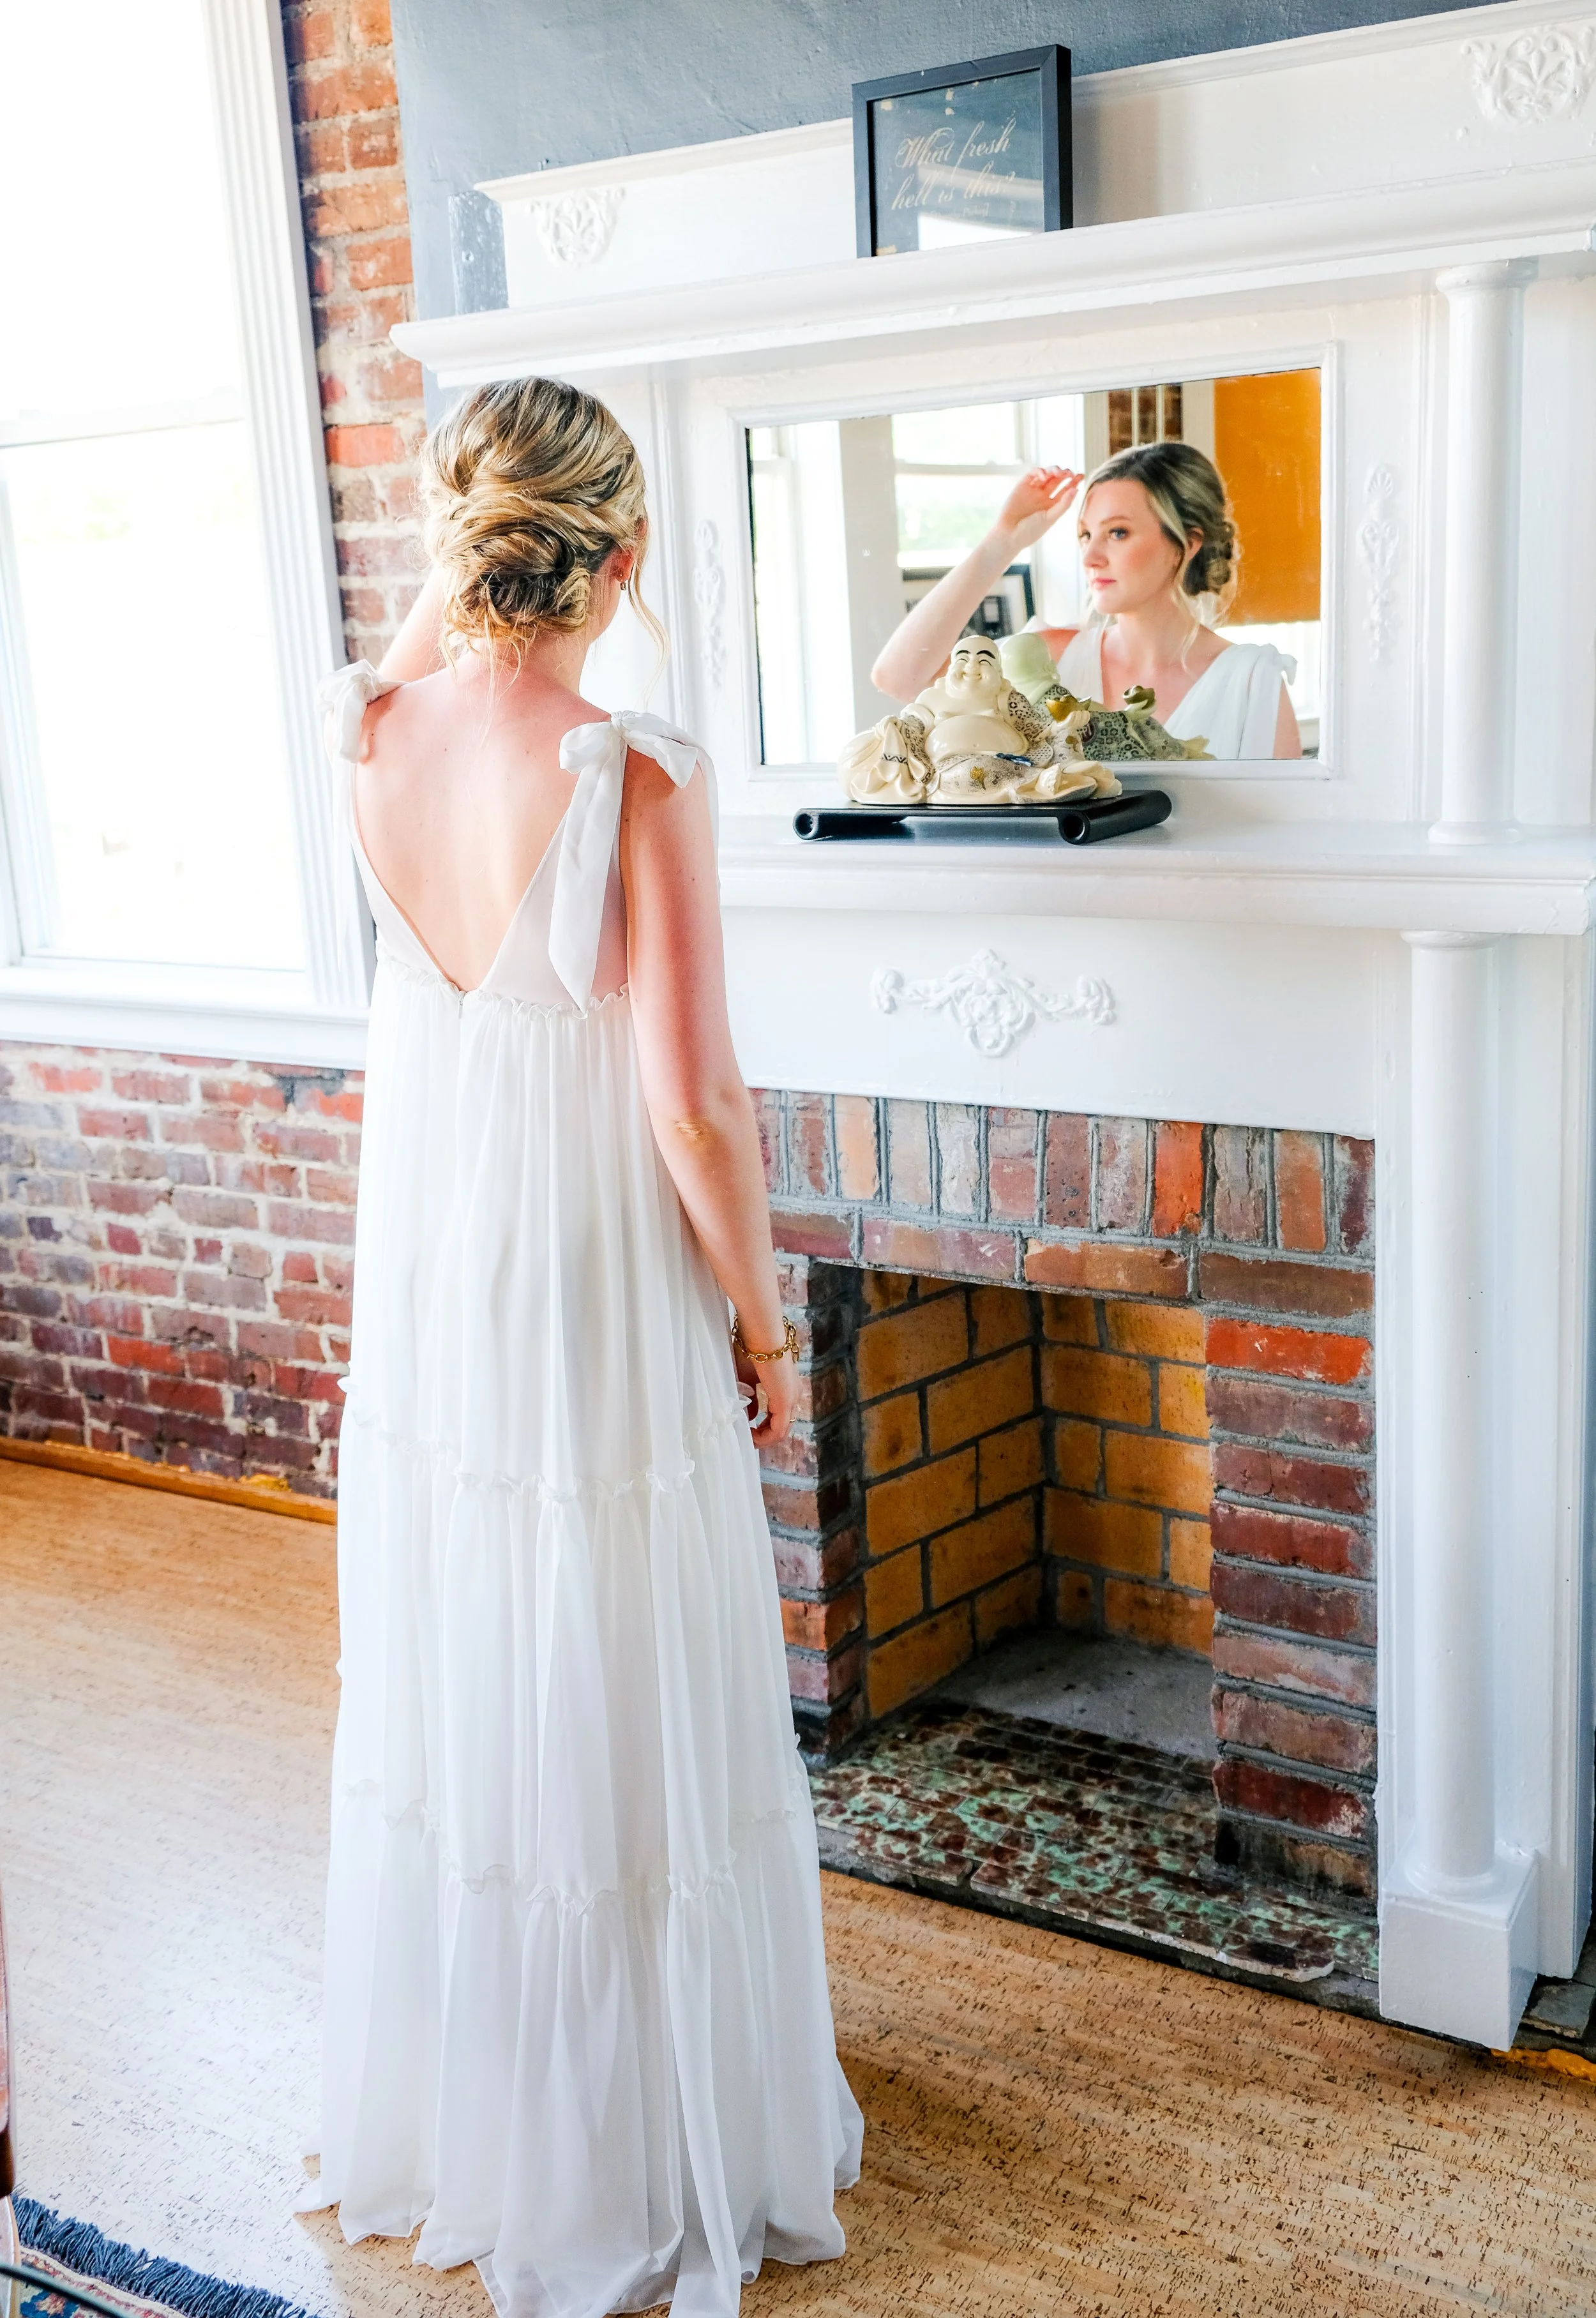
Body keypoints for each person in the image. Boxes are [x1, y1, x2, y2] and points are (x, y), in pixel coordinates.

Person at [301, 375, 862, 2316]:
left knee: (483, 1651)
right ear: (620, 558)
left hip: (443, 1267)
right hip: (595, 1260)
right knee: (617, 1654)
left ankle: (497, 2110)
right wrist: (766, 1320)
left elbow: (411, 657)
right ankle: (635, 2141)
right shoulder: (635, 759)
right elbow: (695, 1098)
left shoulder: (368, 727)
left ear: (466, 539)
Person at [870, 439, 1301, 760]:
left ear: (1186, 544)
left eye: (1118, 532)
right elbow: (899, 677)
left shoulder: (1252, 681)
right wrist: (1002, 542)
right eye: (1085, 535)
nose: (1091, 557)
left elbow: (1283, 838)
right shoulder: (1046, 659)